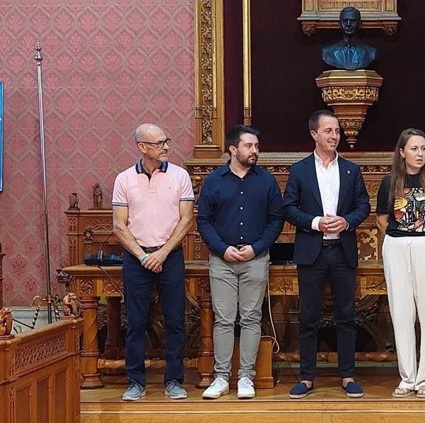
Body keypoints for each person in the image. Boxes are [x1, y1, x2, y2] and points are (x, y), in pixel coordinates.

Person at [282, 109, 370, 399]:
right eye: (329, 131)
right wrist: (316, 222)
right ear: (314, 134)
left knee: (346, 316)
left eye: (337, 131)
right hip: (312, 252)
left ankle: (347, 375)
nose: (335, 136)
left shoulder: (351, 170)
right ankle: (307, 377)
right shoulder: (299, 170)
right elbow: (289, 208)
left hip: (342, 252)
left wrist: (347, 221)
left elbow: (363, 206)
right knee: (308, 317)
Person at [197, 125, 283, 400]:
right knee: (223, 319)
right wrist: (222, 249)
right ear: (233, 149)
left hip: (255, 258)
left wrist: (256, 247)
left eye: (257, 146)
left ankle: (246, 377)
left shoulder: (266, 181)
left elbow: (275, 220)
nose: (255, 151)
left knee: (250, 318)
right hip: (221, 259)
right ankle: (221, 377)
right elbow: (204, 220)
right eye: (249, 146)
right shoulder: (214, 181)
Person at [112, 123, 195, 401]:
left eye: (166, 141)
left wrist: (161, 253)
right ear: (142, 148)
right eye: (159, 143)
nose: (166, 147)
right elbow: (119, 226)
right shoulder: (124, 179)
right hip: (137, 259)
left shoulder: (180, 176)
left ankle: (174, 380)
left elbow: (186, 220)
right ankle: (136, 382)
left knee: (175, 320)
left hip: (170, 255)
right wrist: (144, 256)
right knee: (135, 321)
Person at [375, 128, 425, 398]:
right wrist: (401, 237)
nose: (420, 154)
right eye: (414, 149)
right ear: (402, 152)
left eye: (423, 148)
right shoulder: (390, 182)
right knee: (401, 312)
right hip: (397, 246)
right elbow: (382, 219)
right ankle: (407, 377)